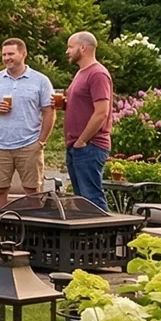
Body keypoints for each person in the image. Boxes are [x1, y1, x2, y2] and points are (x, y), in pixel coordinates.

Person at [0, 38, 56, 211]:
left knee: (32, 191)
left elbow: (49, 112)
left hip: (29, 144)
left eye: (11, 54)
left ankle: (34, 226)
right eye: (4, 55)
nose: (6, 58)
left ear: (23, 54)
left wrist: (41, 141)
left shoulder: (40, 80)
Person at [64, 31, 114, 209]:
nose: (67, 51)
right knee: (82, 202)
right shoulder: (81, 73)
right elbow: (84, 104)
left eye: (70, 47)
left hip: (90, 146)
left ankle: (104, 228)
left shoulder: (98, 74)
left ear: (83, 47)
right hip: (75, 145)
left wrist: (82, 141)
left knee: (92, 199)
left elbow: (101, 112)